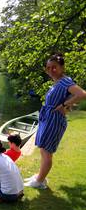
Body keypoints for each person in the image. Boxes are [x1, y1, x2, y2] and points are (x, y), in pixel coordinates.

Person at [25, 53, 86, 189]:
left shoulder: (65, 81)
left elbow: (81, 94)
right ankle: (41, 177)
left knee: (47, 152)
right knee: (43, 149)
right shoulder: (57, 82)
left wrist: (65, 105)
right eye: (48, 68)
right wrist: (67, 104)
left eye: (54, 67)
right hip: (48, 118)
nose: (51, 70)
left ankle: (39, 182)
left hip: (54, 120)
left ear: (62, 67)